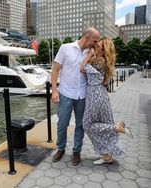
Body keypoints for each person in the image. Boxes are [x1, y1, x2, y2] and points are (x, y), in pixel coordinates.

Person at [51, 27, 100, 166]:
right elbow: (55, 70)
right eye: (94, 41)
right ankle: (60, 149)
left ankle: (76, 151)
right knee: (62, 123)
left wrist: (92, 58)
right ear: (87, 38)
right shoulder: (65, 48)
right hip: (66, 93)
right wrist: (54, 91)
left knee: (80, 125)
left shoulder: (91, 53)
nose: (96, 44)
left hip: (83, 95)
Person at [80, 37, 133, 165]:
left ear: (103, 50)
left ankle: (116, 127)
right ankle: (107, 156)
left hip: (95, 95)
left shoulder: (100, 61)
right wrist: (92, 56)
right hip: (102, 96)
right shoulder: (102, 61)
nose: (95, 46)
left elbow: (82, 68)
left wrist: (88, 57)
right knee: (102, 124)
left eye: (98, 46)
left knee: (87, 124)